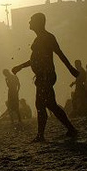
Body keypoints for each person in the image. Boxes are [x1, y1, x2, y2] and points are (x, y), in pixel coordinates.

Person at [11, 12, 79, 142]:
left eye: (31, 20)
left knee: (40, 105)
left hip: (46, 76)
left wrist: (71, 70)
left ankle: (41, 135)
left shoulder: (48, 37)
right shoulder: (40, 38)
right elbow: (35, 59)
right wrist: (20, 67)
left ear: (38, 22)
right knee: (51, 105)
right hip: (43, 75)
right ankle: (70, 129)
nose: (29, 23)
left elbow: (60, 54)